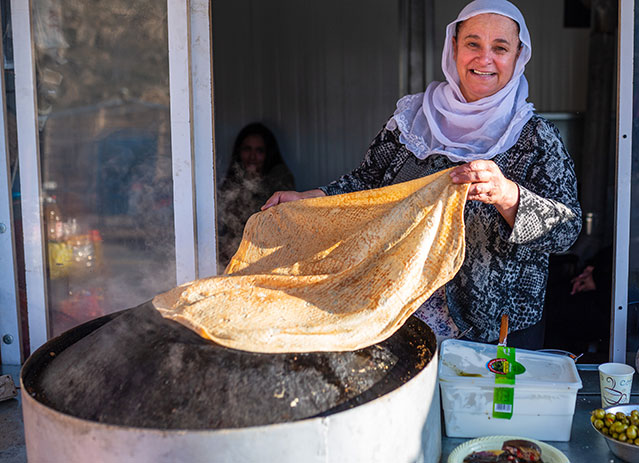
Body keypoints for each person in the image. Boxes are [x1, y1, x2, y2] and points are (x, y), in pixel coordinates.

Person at [262, 0, 581, 350]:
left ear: (518, 56)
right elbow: (367, 185)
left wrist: (508, 196)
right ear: (454, 46)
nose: (485, 58)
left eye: (500, 48)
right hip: (400, 317)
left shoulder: (535, 137)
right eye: (473, 43)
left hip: (494, 335)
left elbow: (566, 231)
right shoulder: (412, 121)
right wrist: (311, 198)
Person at [218, 122, 295, 269]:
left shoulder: (280, 179)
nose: (252, 156)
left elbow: (276, 220)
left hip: (269, 255)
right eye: (247, 149)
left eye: (259, 151)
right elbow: (229, 222)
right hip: (234, 253)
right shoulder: (232, 179)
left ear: (268, 154)